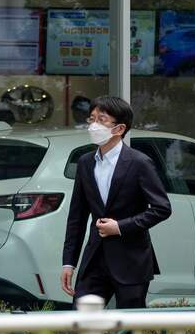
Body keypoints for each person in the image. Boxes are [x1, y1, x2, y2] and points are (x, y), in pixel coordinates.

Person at [61, 96, 172, 322]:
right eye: (91, 119)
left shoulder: (139, 162)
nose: (94, 125)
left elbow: (162, 208)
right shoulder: (85, 162)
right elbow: (77, 216)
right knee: (79, 324)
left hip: (131, 259)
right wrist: (68, 262)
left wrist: (120, 227)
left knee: (128, 330)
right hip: (94, 258)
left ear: (119, 129)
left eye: (101, 120)